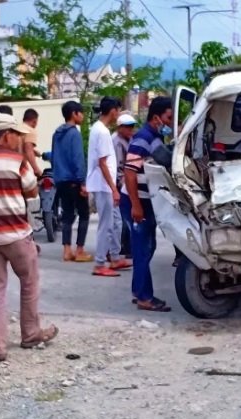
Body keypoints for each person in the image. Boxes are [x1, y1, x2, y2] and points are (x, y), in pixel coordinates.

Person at [0, 113, 59, 362]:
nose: (19, 139)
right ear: (7, 134)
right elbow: (31, 189)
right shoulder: (16, 160)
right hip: (16, 233)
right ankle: (30, 334)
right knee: (29, 281)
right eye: (17, 135)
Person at [121, 96, 173, 312]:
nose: (170, 122)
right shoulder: (142, 139)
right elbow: (130, 173)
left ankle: (138, 289)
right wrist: (136, 206)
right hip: (136, 200)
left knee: (147, 247)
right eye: (168, 117)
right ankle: (145, 298)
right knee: (143, 249)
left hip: (145, 200)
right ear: (156, 118)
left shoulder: (155, 138)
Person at [87, 97, 132, 277]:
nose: (118, 115)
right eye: (118, 111)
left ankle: (114, 257)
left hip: (104, 183)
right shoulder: (103, 133)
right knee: (106, 224)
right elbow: (103, 163)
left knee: (114, 222)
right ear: (113, 111)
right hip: (104, 184)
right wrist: (114, 188)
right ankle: (99, 263)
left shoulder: (98, 129)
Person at [52, 101, 93, 262]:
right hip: (74, 180)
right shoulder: (74, 133)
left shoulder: (57, 133)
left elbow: (55, 156)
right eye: (81, 113)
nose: (82, 116)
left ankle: (67, 250)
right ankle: (80, 249)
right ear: (74, 114)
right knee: (84, 214)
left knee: (67, 215)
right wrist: (83, 182)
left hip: (60, 180)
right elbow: (78, 159)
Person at [112, 113, 137, 259]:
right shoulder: (116, 142)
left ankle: (127, 246)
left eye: (132, 127)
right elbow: (118, 167)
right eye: (127, 127)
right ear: (120, 127)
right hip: (121, 180)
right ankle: (125, 247)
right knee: (125, 215)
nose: (131, 130)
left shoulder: (128, 139)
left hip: (127, 179)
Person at [21, 108, 43, 178]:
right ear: (34, 121)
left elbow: (21, 146)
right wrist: (36, 169)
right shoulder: (30, 130)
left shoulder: (16, 128)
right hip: (21, 166)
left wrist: (34, 152)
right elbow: (28, 150)